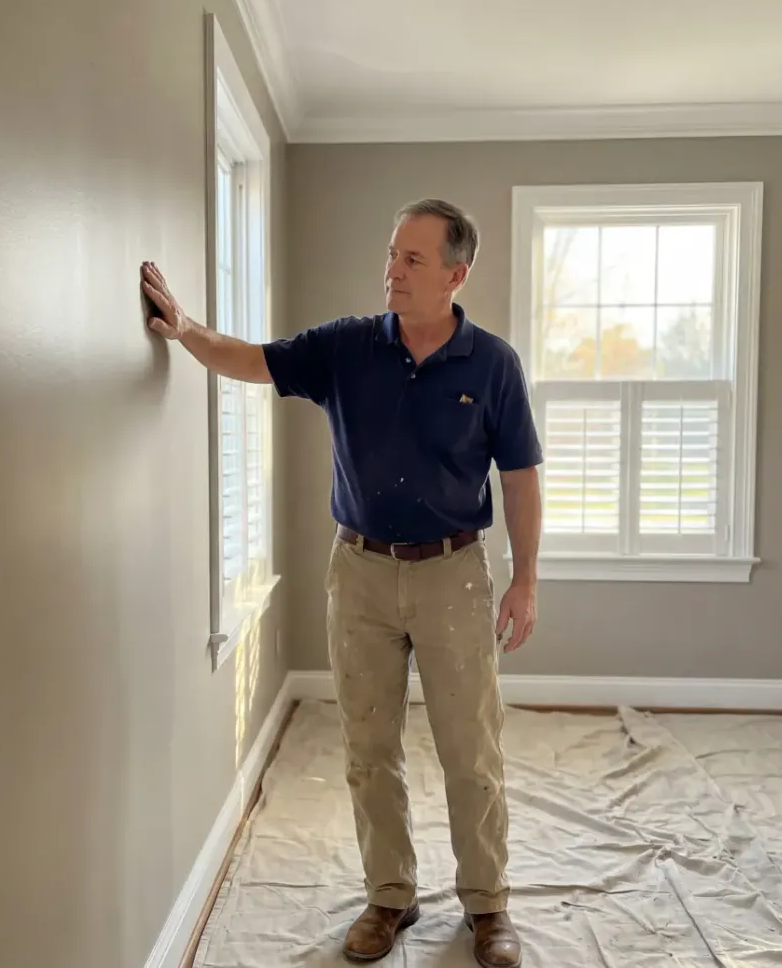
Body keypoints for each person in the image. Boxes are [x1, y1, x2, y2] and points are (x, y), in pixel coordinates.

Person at [140, 198, 542, 968]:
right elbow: (253, 359)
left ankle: (487, 906)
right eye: (392, 253)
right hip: (358, 572)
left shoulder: (494, 365)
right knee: (368, 744)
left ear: (457, 274)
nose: (391, 269)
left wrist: (525, 579)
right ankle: (390, 895)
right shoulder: (347, 347)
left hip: (455, 573)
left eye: (412, 260)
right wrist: (187, 329)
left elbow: (520, 478)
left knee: (470, 747)